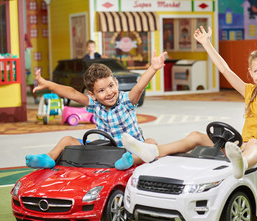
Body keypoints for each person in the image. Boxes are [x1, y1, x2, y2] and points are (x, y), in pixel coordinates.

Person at [120, 16, 257, 179]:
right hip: (242, 144)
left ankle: (242, 164)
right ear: (251, 73)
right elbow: (224, 69)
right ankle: (152, 152)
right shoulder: (249, 91)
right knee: (195, 136)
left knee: (252, 145)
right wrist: (206, 43)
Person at [25, 50, 167, 170]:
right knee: (67, 140)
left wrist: (153, 69)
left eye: (111, 86)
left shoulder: (126, 101)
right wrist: (48, 84)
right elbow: (72, 93)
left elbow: (139, 87)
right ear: (92, 95)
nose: (109, 92)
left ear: (116, 83)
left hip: (132, 150)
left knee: (151, 141)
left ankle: (130, 160)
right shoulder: (94, 104)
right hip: (105, 152)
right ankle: (49, 158)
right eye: (101, 90)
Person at [25, 34, 39, 104]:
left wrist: (26, 36)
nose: (25, 45)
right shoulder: (20, 51)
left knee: (31, 85)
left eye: (25, 43)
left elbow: (30, 45)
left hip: (29, 71)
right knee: (21, 87)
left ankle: (35, 98)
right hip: (23, 71)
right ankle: (23, 100)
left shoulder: (28, 50)